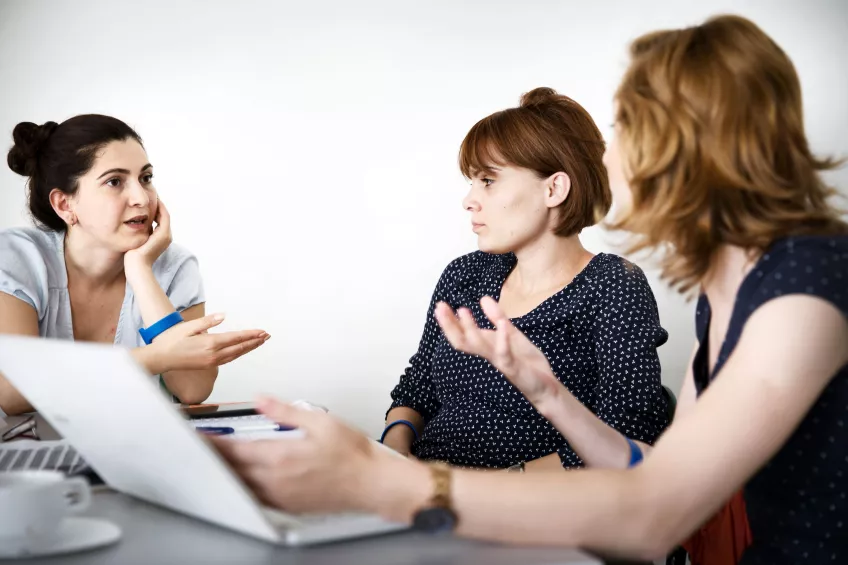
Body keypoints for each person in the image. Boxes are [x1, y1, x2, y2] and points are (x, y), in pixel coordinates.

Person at [213, 14, 848, 564]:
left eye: (625, 126)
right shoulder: (729, 284)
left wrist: (388, 486)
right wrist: (546, 391)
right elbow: (654, 471)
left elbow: (658, 516)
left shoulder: (806, 286)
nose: (611, 151)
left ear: (683, 140)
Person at [382, 87, 669, 471]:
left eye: (488, 180)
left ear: (554, 188)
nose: (469, 200)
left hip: (532, 512)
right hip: (426, 494)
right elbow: (418, 388)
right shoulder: (465, 274)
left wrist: (486, 487)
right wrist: (394, 454)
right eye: (471, 182)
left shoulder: (613, 285)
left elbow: (629, 436)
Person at [0, 115, 269, 416]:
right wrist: (157, 356)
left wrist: (141, 270)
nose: (141, 197)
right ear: (65, 204)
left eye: (146, 178)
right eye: (115, 182)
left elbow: (193, 389)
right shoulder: (15, 258)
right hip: (32, 459)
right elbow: (12, 393)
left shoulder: (174, 266)